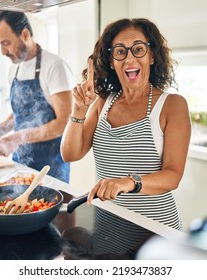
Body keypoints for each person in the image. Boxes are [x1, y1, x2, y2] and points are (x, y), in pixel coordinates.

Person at [60, 18, 191, 231]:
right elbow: (70, 154)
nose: (129, 58)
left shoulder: (172, 105)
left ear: (151, 56)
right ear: (112, 61)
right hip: (109, 223)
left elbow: (172, 176)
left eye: (138, 49)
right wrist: (78, 111)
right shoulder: (102, 103)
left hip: (155, 228)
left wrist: (128, 182)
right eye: (120, 52)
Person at [0, 10, 74, 183]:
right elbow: (20, 113)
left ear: (25, 34)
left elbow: (64, 123)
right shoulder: (13, 69)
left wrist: (16, 138)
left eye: (6, 43)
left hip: (51, 170)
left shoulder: (54, 66)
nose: (2, 51)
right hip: (20, 166)